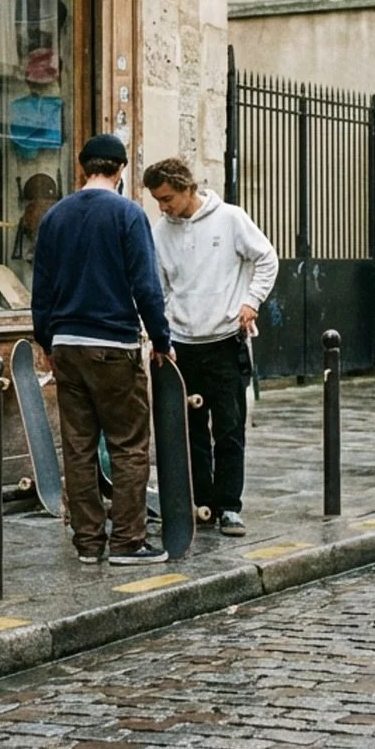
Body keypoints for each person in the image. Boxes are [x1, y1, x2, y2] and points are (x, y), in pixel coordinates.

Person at [30, 132, 173, 566]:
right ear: (121, 170)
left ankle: (88, 542)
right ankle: (128, 540)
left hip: (67, 345)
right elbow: (146, 286)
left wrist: (47, 341)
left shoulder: (55, 217)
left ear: (82, 168)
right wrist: (161, 340)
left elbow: (42, 290)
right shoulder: (129, 215)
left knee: (78, 447)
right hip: (113, 343)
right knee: (129, 443)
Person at [143, 156, 278, 537]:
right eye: (157, 200)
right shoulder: (160, 232)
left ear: (188, 188)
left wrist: (251, 301)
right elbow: (159, 287)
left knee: (230, 428)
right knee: (191, 431)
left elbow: (266, 258)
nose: (163, 206)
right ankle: (201, 504)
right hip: (182, 345)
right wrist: (160, 335)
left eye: (168, 198)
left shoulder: (230, 219)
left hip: (224, 340)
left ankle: (230, 506)